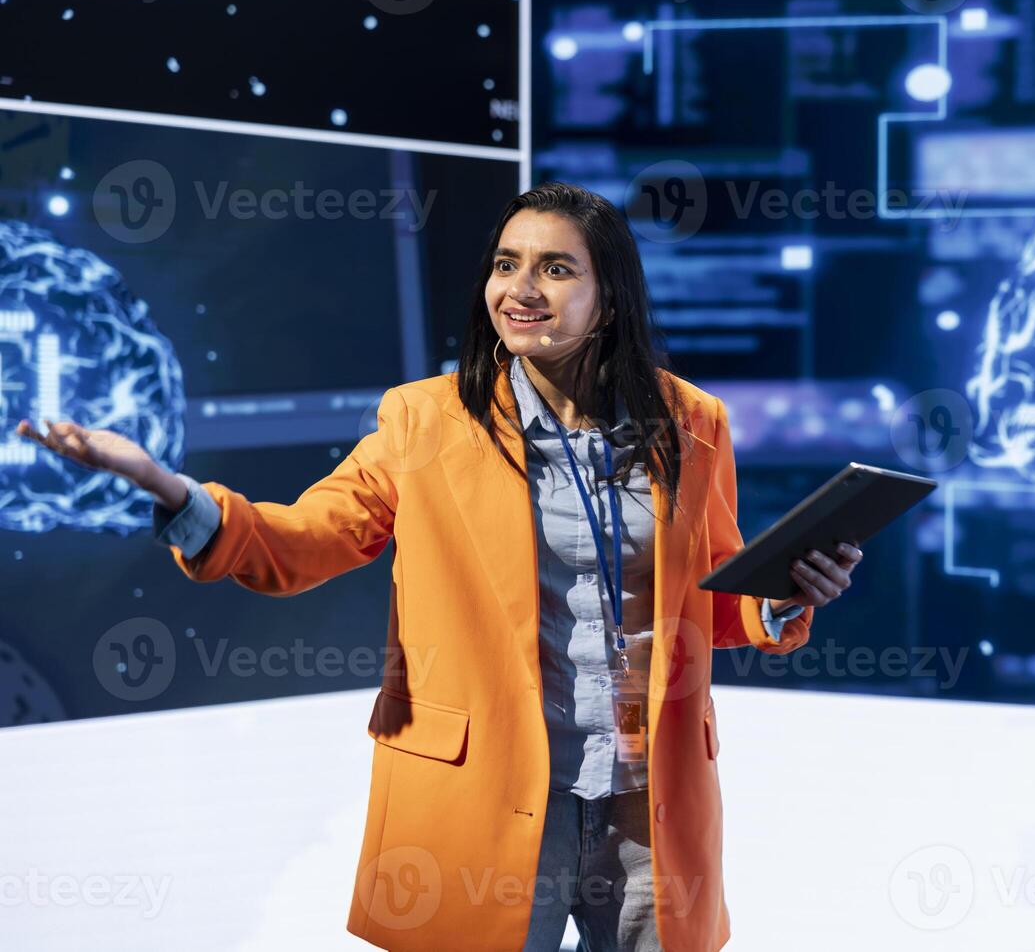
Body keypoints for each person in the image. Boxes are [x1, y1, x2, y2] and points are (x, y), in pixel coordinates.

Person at [15, 181, 862, 952]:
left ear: (609, 301)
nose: (520, 289)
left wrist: (783, 600)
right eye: (507, 264)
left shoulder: (694, 421)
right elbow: (302, 542)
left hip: (650, 801)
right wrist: (165, 486)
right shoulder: (423, 421)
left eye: (556, 269)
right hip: (485, 796)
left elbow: (714, 595)